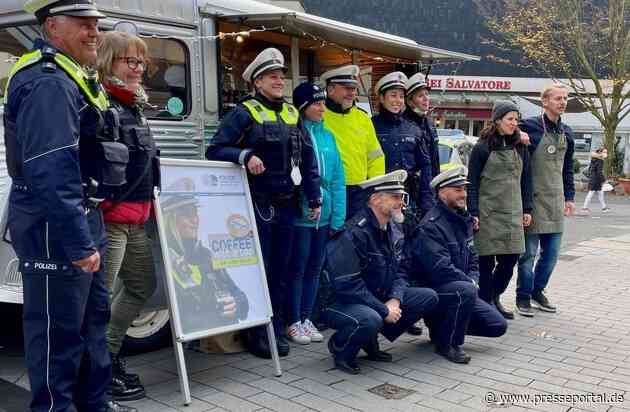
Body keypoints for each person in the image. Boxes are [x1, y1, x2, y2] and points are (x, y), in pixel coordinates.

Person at [3, 1, 135, 411]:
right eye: (83, 24)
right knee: (57, 333)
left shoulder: (70, 76)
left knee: (92, 324)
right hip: (54, 224)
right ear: (53, 27)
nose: (94, 32)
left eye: (96, 24)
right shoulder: (47, 82)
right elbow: (52, 170)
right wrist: (79, 243)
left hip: (80, 214)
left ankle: (91, 404)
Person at [206, 48, 321, 359]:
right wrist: (245, 156)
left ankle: (276, 326)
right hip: (256, 205)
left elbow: (308, 159)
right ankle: (257, 333)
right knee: (259, 270)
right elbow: (214, 149)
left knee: (281, 270)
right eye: (272, 76)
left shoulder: (292, 114)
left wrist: (314, 195)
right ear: (256, 82)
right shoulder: (244, 113)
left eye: (280, 75)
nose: (278, 81)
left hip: (287, 205)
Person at [94, 30, 161, 402]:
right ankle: (98, 370)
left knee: (141, 286)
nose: (137, 68)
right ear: (108, 60)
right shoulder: (102, 102)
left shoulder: (133, 104)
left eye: (140, 61)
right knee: (99, 299)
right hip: (112, 219)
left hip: (136, 217)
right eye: (128, 60)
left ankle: (108, 354)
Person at [324, 170, 438, 374]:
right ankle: (341, 348)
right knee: (371, 317)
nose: (401, 203)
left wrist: (394, 300)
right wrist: (383, 309)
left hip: (374, 295)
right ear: (375, 199)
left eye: (402, 197)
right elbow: (348, 286)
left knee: (427, 297)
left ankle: (369, 340)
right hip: (340, 302)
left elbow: (402, 270)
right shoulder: (353, 233)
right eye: (395, 197)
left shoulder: (391, 230)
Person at [404, 167, 508, 364]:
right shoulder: (431, 225)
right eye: (458, 190)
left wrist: (473, 281)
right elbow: (440, 269)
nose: (464, 194)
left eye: (465, 190)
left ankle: (441, 327)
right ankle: (448, 343)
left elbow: (474, 258)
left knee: (497, 325)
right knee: (465, 290)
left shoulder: (463, 219)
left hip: (462, 288)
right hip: (435, 289)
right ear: (443, 192)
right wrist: (469, 283)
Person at [286, 82, 346, 345]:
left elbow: (337, 179)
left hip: (324, 213)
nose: (323, 108)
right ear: (303, 107)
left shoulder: (328, 136)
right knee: (297, 268)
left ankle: (307, 317)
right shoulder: (294, 134)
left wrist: (338, 216)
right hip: (302, 215)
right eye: (317, 103)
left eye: (323, 102)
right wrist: (304, 205)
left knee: (315, 268)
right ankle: (293, 320)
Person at [467, 100, 533, 320]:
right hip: (487, 213)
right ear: (497, 121)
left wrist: (527, 208)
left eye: (516, 119)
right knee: (486, 262)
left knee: (511, 259)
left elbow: (526, 180)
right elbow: (472, 182)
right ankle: (486, 304)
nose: (514, 123)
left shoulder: (520, 146)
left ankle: (494, 295)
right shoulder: (482, 148)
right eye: (510, 119)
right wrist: (473, 212)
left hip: (513, 212)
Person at [516, 84, 575, 317]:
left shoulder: (567, 131)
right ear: (545, 102)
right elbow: (503, 131)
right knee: (528, 254)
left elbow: (567, 168)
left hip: (555, 199)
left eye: (565, 98)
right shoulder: (529, 125)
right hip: (533, 199)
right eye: (558, 98)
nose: (562, 102)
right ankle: (522, 297)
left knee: (551, 255)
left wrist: (569, 197)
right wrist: (516, 134)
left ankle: (537, 292)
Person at [162, 179, 249, 333]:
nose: (194, 220)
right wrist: (215, 312)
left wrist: (236, 303)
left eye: (194, 212)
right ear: (170, 220)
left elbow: (238, 293)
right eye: (186, 215)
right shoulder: (165, 257)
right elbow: (181, 316)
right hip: (200, 337)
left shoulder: (205, 254)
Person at [321, 65, 385, 218]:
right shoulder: (319, 116)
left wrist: (375, 188)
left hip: (359, 192)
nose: (352, 93)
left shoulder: (363, 118)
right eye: (347, 88)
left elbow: (375, 156)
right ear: (330, 89)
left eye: (354, 88)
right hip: (328, 191)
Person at [372, 71, 434, 225]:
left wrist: (426, 202)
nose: (398, 101)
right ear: (381, 98)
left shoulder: (414, 129)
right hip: (378, 198)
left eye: (401, 96)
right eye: (393, 95)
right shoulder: (370, 126)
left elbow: (426, 167)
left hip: (407, 199)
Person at [404, 73, 440, 178]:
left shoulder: (429, 123)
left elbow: (435, 159)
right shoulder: (403, 123)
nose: (426, 98)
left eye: (427, 94)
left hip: (430, 184)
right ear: (410, 101)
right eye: (420, 96)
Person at [581, 147, 610, 214]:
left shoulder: (594, 159)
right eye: (604, 152)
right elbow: (599, 172)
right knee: (591, 193)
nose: (606, 154)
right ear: (600, 153)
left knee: (600, 193)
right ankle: (584, 207)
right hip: (596, 180)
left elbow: (591, 169)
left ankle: (604, 207)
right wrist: (604, 180)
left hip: (593, 178)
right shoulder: (600, 161)